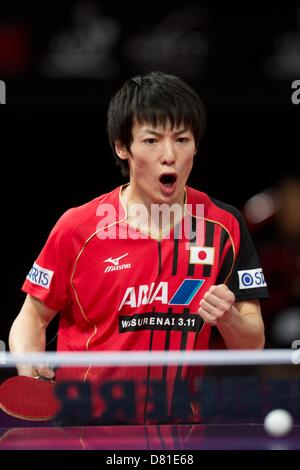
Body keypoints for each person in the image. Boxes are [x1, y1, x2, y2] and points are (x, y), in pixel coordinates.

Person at [9, 71, 267, 423]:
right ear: (122, 146)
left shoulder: (224, 227)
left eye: (181, 139)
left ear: (196, 146)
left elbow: (253, 344)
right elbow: (32, 316)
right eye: (151, 140)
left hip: (179, 435)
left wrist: (228, 318)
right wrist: (29, 366)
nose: (169, 155)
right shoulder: (78, 227)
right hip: (87, 430)